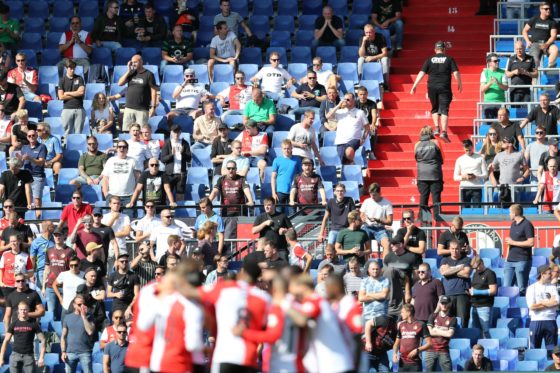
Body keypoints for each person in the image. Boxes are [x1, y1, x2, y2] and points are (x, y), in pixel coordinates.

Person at [410, 41, 462, 143]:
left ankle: (437, 127)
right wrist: (459, 83)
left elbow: (421, 72)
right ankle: (444, 132)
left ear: (435, 50)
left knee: (434, 108)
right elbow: (456, 72)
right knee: (444, 109)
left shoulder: (430, 59)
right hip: (444, 86)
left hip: (431, 86)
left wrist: (414, 85)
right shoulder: (449, 59)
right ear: (444, 50)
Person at [0, 301, 46, 372]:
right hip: (15, 356)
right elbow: (6, 341)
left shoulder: (34, 324)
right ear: (18, 310)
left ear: (28, 310)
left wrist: (41, 357)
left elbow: (43, 340)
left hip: (29, 356)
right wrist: (1, 358)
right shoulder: (13, 324)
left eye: (25, 309)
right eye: (21, 310)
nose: (23, 311)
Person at [384, 236, 422, 318]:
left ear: (401, 244)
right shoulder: (388, 257)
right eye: (391, 244)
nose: (391, 245)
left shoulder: (412, 257)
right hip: (391, 289)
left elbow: (416, 277)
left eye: (394, 244)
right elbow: (384, 275)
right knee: (390, 270)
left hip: (405, 287)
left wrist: (411, 291)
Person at [327, 92, 369, 165]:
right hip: (341, 141)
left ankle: (352, 162)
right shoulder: (340, 112)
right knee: (344, 163)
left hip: (354, 139)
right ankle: (352, 164)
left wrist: (363, 138)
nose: (346, 101)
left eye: (348, 99)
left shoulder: (360, 112)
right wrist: (338, 105)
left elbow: (367, 127)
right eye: (344, 99)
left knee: (349, 152)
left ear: (353, 100)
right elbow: (328, 116)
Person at [118, 54, 158, 130]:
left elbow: (153, 91)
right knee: (127, 131)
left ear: (141, 62)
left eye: (135, 62)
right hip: (129, 108)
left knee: (141, 132)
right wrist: (128, 70)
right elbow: (120, 83)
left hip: (142, 109)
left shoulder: (149, 74)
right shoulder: (131, 73)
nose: (133, 64)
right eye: (132, 62)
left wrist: (153, 107)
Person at [439, 240, 472, 327]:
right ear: (449, 249)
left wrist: (450, 269)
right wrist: (459, 268)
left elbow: (466, 274)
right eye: (452, 249)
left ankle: (463, 339)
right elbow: (444, 272)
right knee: (448, 321)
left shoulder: (467, 260)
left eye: (456, 249)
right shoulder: (444, 260)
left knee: (463, 320)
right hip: (448, 294)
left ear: (460, 249)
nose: (454, 251)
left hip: (462, 294)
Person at [526, 264, 559, 350]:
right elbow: (532, 306)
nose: (551, 275)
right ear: (542, 274)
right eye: (549, 273)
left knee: (552, 352)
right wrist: (549, 303)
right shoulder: (532, 288)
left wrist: (542, 303)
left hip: (551, 321)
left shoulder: (552, 287)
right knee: (534, 350)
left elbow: (556, 302)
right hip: (536, 321)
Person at [42, 229, 72, 321]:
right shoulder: (49, 250)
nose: (57, 237)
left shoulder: (69, 251)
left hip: (65, 286)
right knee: (51, 312)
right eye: (55, 235)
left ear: (64, 236)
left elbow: (73, 269)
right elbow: (47, 268)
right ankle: (52, 335)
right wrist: (43, 286)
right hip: (50, 286)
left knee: (65, 312)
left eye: (59, 235)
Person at [392, 304, 432, 372]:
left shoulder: (421, 324)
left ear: (409, 313)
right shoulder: (401, 325)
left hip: (415, 363)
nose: (401, 314)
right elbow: (396, 344)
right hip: (402, 363)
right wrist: (394, 354)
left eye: (402, 312)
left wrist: (417, 350)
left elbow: (430, 344)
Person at [61, 295, 96, 373]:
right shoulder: (67, 317)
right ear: (74, 305)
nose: (82, 306)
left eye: (83, 304)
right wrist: (63, 351)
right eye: (79, 304)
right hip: (70, 353)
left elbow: (90, 331)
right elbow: (63, 336)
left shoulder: (90, 316)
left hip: (85, 352)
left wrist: (84, 316)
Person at [415, 126, 444, 217]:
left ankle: (422, 218)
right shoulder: (436, 142)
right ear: (431, 133)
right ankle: (437, 217)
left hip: (422, 175)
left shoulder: (417, 144)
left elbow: (416, 159)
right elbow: (442, 157)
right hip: (435, 173)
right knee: (436, 197)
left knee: (423, 196)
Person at [318, 182, 356, 252]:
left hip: (346, 229)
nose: (339, 193)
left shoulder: (349, 200)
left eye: (341, 191)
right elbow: (325, 218)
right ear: (334, 192)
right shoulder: (331, 202)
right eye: (338, 191)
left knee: (347, 249)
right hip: (334, 230)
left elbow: (354, 215)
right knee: (330, 249)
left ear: (344, 192)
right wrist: (321, 234)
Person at [101, 140, 140, 205]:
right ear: (116, 149)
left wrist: (134, 196)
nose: (122, 149)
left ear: (127, 149)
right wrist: (106, 195)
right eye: (119, 147)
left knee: (129, 215)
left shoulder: (133, 161)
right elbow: (105, 179)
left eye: (124, 147)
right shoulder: (110, 160)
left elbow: (138, 178)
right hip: (112, 196)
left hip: (129, 197)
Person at [360, 183, 393, 256]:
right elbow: (361, 214)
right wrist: (364, 218)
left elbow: (390, 222)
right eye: (371, 194)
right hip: (367, 227)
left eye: (374, 195)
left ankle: (385, 266)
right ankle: (366, 265)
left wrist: (380, 220)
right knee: (364, 245)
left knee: (387, 244)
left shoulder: (387, 203)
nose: (372, 197)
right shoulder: (366, 201)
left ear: (379, 193)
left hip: (380, 228)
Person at [522, 2, 558, 68]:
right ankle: (534, 76)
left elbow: (553, 36)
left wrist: (546, 44)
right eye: (546, 9)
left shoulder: (552, 22)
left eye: (549, 9)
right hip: (535, 43)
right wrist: (527, 41)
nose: (548, 10)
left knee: (555, 50)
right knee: (535, 61)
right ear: (541, 9)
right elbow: (524, 30)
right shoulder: (534, 19)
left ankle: (550, 68)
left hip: (548, 44)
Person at [20, 128, 46, 218]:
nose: (31, 137)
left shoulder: (42, 147)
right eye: (29, 136)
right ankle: (26, 218)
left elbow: (41, 162)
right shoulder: (24, 148)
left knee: (37, 200)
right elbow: (21, 164)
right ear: (27, 137)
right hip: (26, 176)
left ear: (36, 136)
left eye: (33, 135)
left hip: (37, 176)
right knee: (25, 200)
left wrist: (30, 158)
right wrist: (19, 159)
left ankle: (38, 219)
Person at [469, 256, 497, 339]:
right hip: (474, 306)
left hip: (484, 306)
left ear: (482, 263)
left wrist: (477, 292)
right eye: (474, 268)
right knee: (474, 331)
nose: (476, 269)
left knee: (486, 331)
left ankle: (488, 348)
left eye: (477, 267)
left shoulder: (490, 273)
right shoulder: (475, 273)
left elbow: (493, 291)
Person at [454, 139, 488, 206]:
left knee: (477, 210)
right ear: (463, 148)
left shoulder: (480, 158)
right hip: (464, 188)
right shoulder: (459, 159)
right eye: (466, 150)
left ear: (472, 147)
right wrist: (464, 177)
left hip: (477, 188)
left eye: (470, 150)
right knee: (464, 210)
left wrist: (476, 176)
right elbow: (455, 177)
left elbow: (485, 175)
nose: (468, 152)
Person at [58, 59, 86, 139]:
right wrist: (75, 93)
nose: (72, 70)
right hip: (67, 109)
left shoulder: (79, 78)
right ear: (66, 68)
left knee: (79, 133)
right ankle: (68, 149)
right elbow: (61, 97)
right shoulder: (62, 80)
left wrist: (68, 93)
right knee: (67, 132)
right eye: (70, 68)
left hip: (79, 109)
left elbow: (81, 93)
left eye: (74, 68)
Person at [161, 124, 192, 195]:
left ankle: (180, 206)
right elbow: (163, 159)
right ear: (171, 132)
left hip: (181, 174)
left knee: (180, 195)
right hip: (169, 174)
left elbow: (189, 159)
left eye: (178, 132)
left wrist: (182, 153)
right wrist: (171, 155)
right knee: (168, 196)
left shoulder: (185, 143)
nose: (176, 134)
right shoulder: (167, 143)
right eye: (174, 132)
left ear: (180, 132)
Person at [271, 139, 301, 210]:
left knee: (292, 214)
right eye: (284, 148)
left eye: (288, 148)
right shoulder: (277, 160)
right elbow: (273, 177)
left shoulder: (297, 159)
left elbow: (301, 175)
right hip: (280, 191)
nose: (286, 150)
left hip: (293, 191)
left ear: (291, 148)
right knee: (279, 214)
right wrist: (273, 193)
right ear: (281, 149)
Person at [480, 53, 508, 118]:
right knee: (488, 125)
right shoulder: (484, 73)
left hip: (500, 103)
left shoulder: (503, 72)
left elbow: (506, 88)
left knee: (501, 126)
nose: (497, 62)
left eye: (498, 60)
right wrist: (490, 83)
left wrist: (498, 83)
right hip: (488, 103)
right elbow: (482, 89)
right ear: (489, 63)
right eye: (495, 61)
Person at [356, 85, 380, 160]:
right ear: (358, 95)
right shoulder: (355, 104)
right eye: (361, 94)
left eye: (364, 94)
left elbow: (374, 115)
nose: (363, 96)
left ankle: (371, 152)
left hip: (368, 125)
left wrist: (373, 124)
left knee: (373, 131)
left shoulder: (372, 104)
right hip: (358, 125)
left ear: (367, 94)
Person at [29, 220, 55, 289]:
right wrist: (32, 274)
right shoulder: (36, 242)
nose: (54, 227)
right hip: (42, 271)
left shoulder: (56, 239)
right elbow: (32, 258)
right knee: (44, 294)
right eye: (52, 226)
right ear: (47, 228)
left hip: (55, 270)